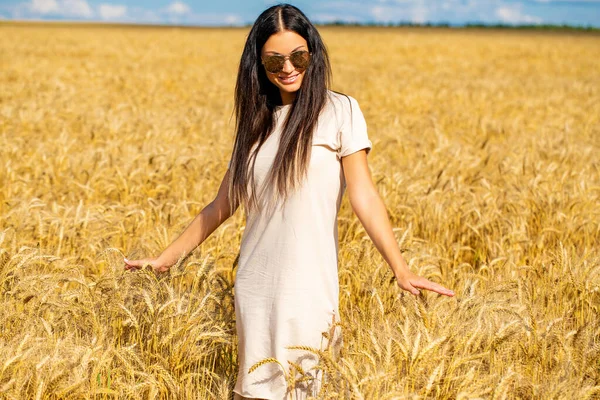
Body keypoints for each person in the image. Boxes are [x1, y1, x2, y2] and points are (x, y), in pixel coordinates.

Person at [124, 3, 454, 399]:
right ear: (258, 63)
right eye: (273, 60)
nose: (287, 67)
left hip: (309, 286)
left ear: (312, 54)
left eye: (298, 56)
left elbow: (364, 195)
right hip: (255, 284)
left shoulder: (340, 111)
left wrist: (400, 268)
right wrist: (164, 259)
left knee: (305, 388)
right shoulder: (255, 124)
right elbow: (221, 205)